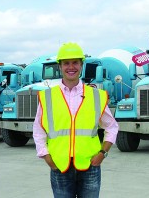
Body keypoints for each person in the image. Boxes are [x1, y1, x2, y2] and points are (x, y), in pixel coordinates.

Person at [33, 42, 118, 198]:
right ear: (60, 66)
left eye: (75, 62)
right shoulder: (47, 97)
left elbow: (112, 127)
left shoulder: (96, 96)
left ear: (81, 65)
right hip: (59, 166)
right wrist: (46, 157)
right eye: (66, 63)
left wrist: (102, 153)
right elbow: (38, 130)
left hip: (90, 166)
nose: (70, 67)